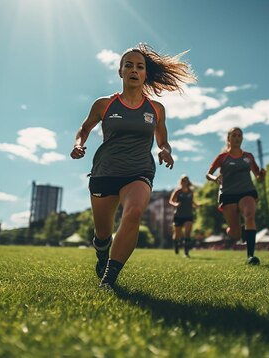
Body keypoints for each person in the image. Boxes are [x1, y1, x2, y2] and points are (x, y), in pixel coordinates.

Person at [70, 43, 196, 288]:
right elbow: (84, 129)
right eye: (129, 65)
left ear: (145, 74)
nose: (134, 70)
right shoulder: (104, 104)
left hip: (139, 171)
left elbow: (163, 141)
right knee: (102, 234)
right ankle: (102, 252)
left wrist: (165, 151)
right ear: (120, 72)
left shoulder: (156, 109)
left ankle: (109, 278)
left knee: (134, 211)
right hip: (105, 172)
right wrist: (78, 144)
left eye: (140, 67)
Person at [206, 127, 266, 265]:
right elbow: (208, 173)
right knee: (236, 234)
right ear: (228, 139)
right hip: (228, 193)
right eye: (234, 135)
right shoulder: (222, 157)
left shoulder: (248, 156)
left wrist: (262, 176)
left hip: (246, 191)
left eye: (239, 135)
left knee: (250, 215)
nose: (237, 138)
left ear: (242, 138)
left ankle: (250, 256)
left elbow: (258, 176)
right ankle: (231, 230)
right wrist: (214, 178)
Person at [169, 175, 199, 257]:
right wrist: (175, 204)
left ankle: (186, 253)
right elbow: (171, 201)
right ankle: (176, 245)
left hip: (188, 215)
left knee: (187, 233)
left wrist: (196, 205)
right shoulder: (178, 191)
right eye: (182, 180)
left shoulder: (190, 191)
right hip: (178, 215)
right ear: (180, 182)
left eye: (185, 181)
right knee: (177, 235)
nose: (184, 182)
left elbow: (192, 201)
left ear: (188, 182)